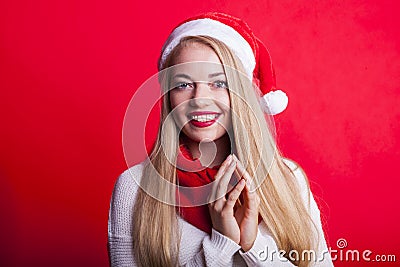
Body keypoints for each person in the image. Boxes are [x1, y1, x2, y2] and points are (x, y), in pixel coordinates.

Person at [108, 12, 334, 267]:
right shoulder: (134, 188)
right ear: (169, 95)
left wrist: (253, 246)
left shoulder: (289, 179)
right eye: (183, 85)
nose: (200, 98)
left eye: (219, 83)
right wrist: (221, 244)